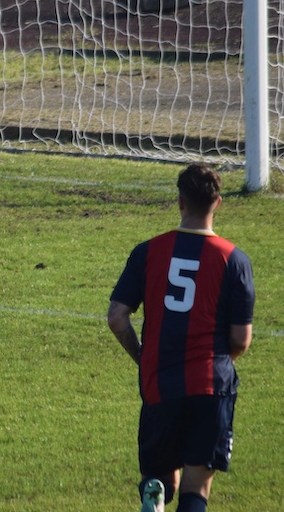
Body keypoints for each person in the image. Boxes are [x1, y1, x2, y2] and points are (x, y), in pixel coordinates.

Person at [108, 164, 254, 512]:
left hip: (161, 382)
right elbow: (241, 339)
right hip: (210, 384)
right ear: (217, 203)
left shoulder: (148, 252)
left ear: (180, 202)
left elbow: (117, 317)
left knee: (161, 481)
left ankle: (154, 499)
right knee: (195, 489)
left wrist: (144, 357)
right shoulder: (234, 260)